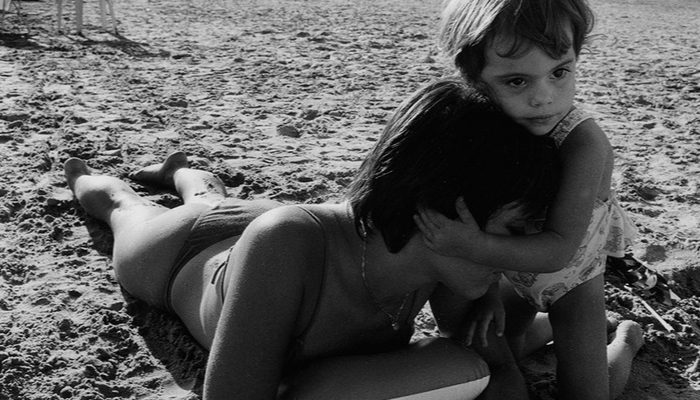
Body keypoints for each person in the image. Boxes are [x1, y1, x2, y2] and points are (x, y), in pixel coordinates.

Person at [65, 79, 563, 400]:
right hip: (185, 251)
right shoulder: (286, 245)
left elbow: (503, 376)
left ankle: (184, 172)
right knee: (123, 209)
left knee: (207, 195)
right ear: (438, 209)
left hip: (284, 231)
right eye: (513, 230)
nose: (520, 254)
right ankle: (89, 176)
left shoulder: (451, 271)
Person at [415, 1, 643, 399]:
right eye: (517, 81)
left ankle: (626, 340)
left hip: (572, 280)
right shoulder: (480, 129)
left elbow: (559, 250)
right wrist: (487, 292)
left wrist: (473, 246)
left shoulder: (583, 143)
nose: (544, 97)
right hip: (509, 271)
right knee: (508, 349)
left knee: (587, 394)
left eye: (560, 72)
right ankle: (545, 325)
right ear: (472, 77)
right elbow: (481, 215)